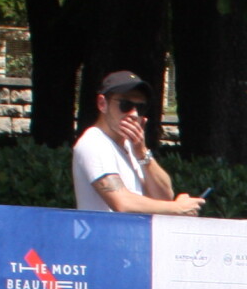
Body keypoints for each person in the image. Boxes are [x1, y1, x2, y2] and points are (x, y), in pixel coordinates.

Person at [73, 71, 201, 215]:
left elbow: (165, 197)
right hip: (105, 230)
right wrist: (177, 208)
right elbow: (122, 203)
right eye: (125, 105)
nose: (134, 114)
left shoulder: (132, 146)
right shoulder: (94, 142)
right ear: (102, 104)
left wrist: (142, 153)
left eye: (140, 108)